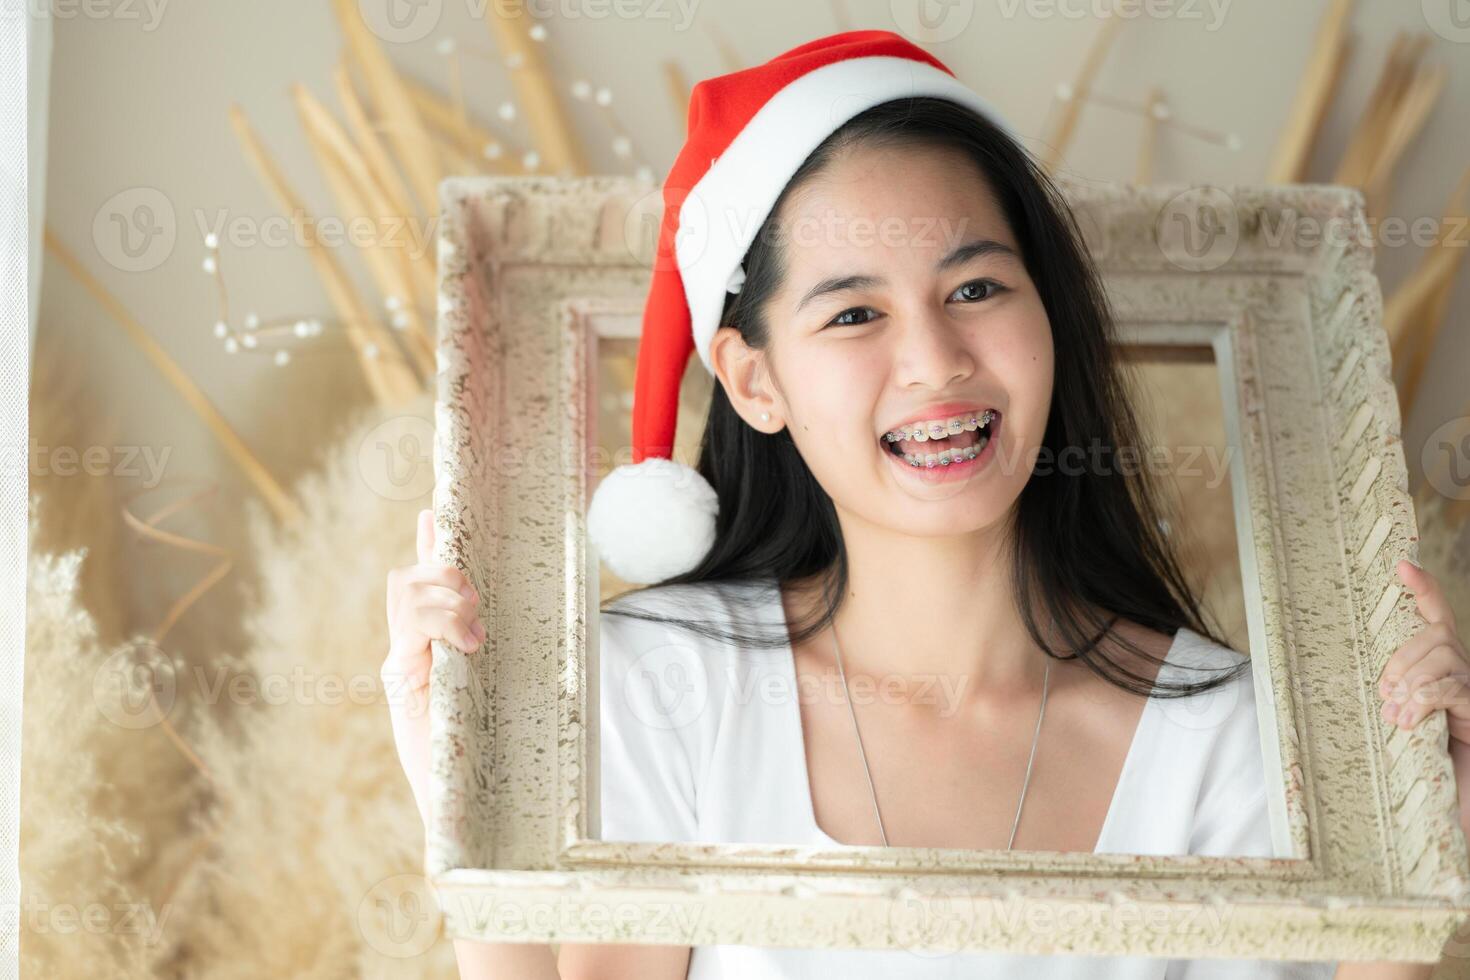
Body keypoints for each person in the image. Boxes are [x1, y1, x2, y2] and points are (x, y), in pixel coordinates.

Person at [383, 29, 1470, 980]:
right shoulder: (670, 687)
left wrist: (1426, 859)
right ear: (756, 381)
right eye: (854, 314)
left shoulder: (1231, 738)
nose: (936, 361)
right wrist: (469, 813)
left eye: (978, 288)